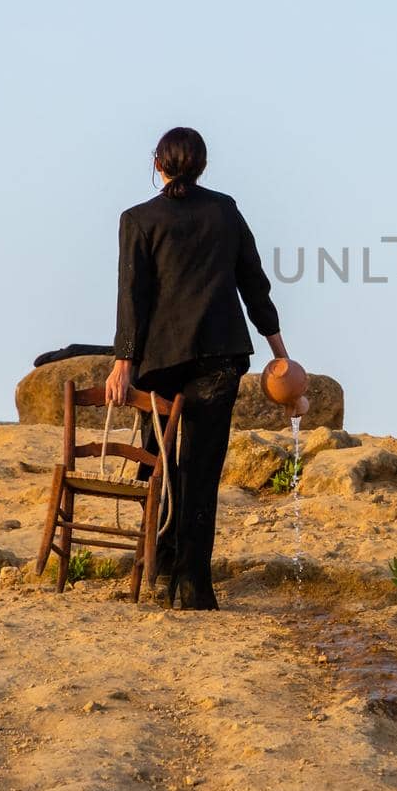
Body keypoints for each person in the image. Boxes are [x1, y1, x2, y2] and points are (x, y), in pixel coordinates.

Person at [105, 126, 289, 610]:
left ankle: (161, 567)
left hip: (160, 362)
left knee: (160, 463)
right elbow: (254, 284)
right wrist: (279, 352)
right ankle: (193, 587)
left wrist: (124, 362)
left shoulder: (138, 219)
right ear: (202, 166)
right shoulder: (224, 211)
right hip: (219, 357)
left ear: (158, 165)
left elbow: (133, 298)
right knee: (201, 471)